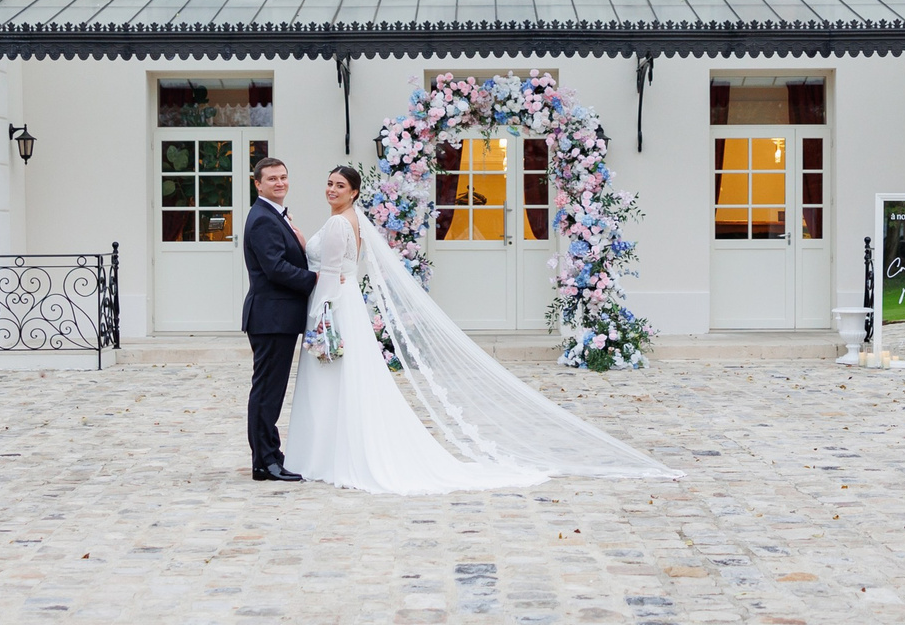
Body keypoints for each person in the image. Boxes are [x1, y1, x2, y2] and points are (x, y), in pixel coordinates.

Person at [278, 163, 671, 494]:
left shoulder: (338, 224)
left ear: (354, 192)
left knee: (334, 380)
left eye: (340, 185)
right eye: (329, 183)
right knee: (347, 381)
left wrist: (319, 319)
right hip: (346, 304)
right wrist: (302, 239)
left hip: (333, 307)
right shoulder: (349, 221)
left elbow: (328, 275)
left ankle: (326, 454)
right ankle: (335, 450)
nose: (332, 189)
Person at [240, 153, 315, 482]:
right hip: (270, 317)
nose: (279, 182)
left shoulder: (273, 215)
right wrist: (315, 279)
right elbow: (275, 268)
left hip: (277, 317)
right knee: (267, 392)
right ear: (258, 184)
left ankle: (270, 455)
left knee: (271, 391)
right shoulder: (262, 218)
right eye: (272, 178)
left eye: (283, 177)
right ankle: (264, 462)